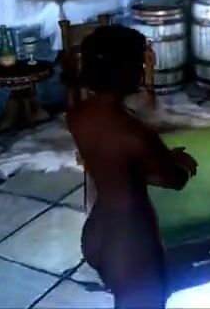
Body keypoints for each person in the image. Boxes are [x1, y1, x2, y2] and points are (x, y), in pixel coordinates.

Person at [67, 25, 198, 309]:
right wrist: (181, 163)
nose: (143, 69)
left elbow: (115, 165)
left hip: (98, 230)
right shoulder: (136, 134)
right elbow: (174, 180)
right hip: (131, 242)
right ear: (125, 71)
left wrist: (153, 158)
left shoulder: (77, 115)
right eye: (140, 62)